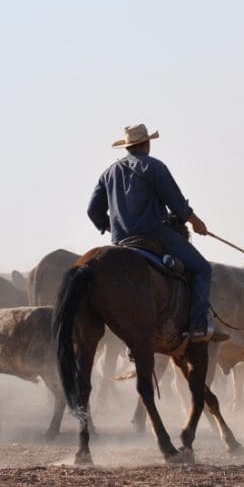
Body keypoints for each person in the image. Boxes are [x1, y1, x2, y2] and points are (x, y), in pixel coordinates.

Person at [86, 124, 214, 340]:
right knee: (202, 269)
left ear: (127, 147)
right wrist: (196, 222)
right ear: (147, 144)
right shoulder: (154, 167)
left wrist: (114, 228)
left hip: (121, 242)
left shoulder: (108, 173)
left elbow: (92, 211)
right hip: (154, 234)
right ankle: (198, 324)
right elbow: (177, 204)